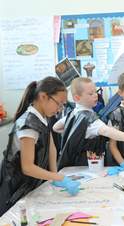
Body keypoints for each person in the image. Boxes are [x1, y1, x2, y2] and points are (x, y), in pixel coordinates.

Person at [0, 77, 80, 216]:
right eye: (59, 104)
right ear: (43, 97)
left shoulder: (43, 116)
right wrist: (58, 178)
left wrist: (56, 174)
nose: (60, 109)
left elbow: (51, 147)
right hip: (15, 187)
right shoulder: (28, 125)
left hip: (30, 184)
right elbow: (28, 167)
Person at [53, 77, 124, 169]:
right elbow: (107, 131)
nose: (95, 95)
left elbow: (56, 128)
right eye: (90, 94)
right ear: (77, 98)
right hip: (87, 165)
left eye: (95, 92)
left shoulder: (73, 113)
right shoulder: (90, 119)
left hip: (72, 165)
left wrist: (76, 134)